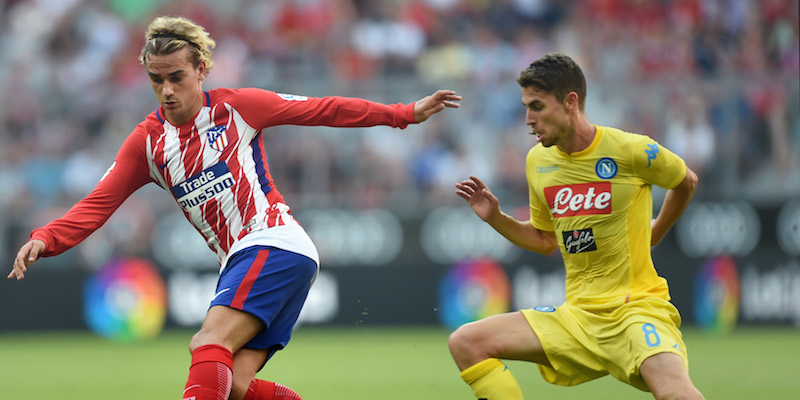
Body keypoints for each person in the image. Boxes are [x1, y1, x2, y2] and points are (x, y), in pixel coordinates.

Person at [8, 15, 460, 400]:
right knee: (238, 384)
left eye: (176, 77)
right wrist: (45, 238)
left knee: (207, 342)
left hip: (273, 241)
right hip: (245, 259)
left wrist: (402, 113)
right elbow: (97, 203)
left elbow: (324, 108)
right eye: (156, 79)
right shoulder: (147, 143)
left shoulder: (237, 108)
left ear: (201, 69)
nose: (166, 90)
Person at [450, 53, 704, 399]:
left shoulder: (631, 150)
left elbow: (685, 181)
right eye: (526, 107)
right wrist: (496, 218)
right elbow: (544, 240)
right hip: (578, 318)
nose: (528, 119)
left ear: (570, 102)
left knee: (676, 393)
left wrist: (655, 230)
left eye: (537, 106)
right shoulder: (538, 161)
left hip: (635, 309)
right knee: (466, 341)